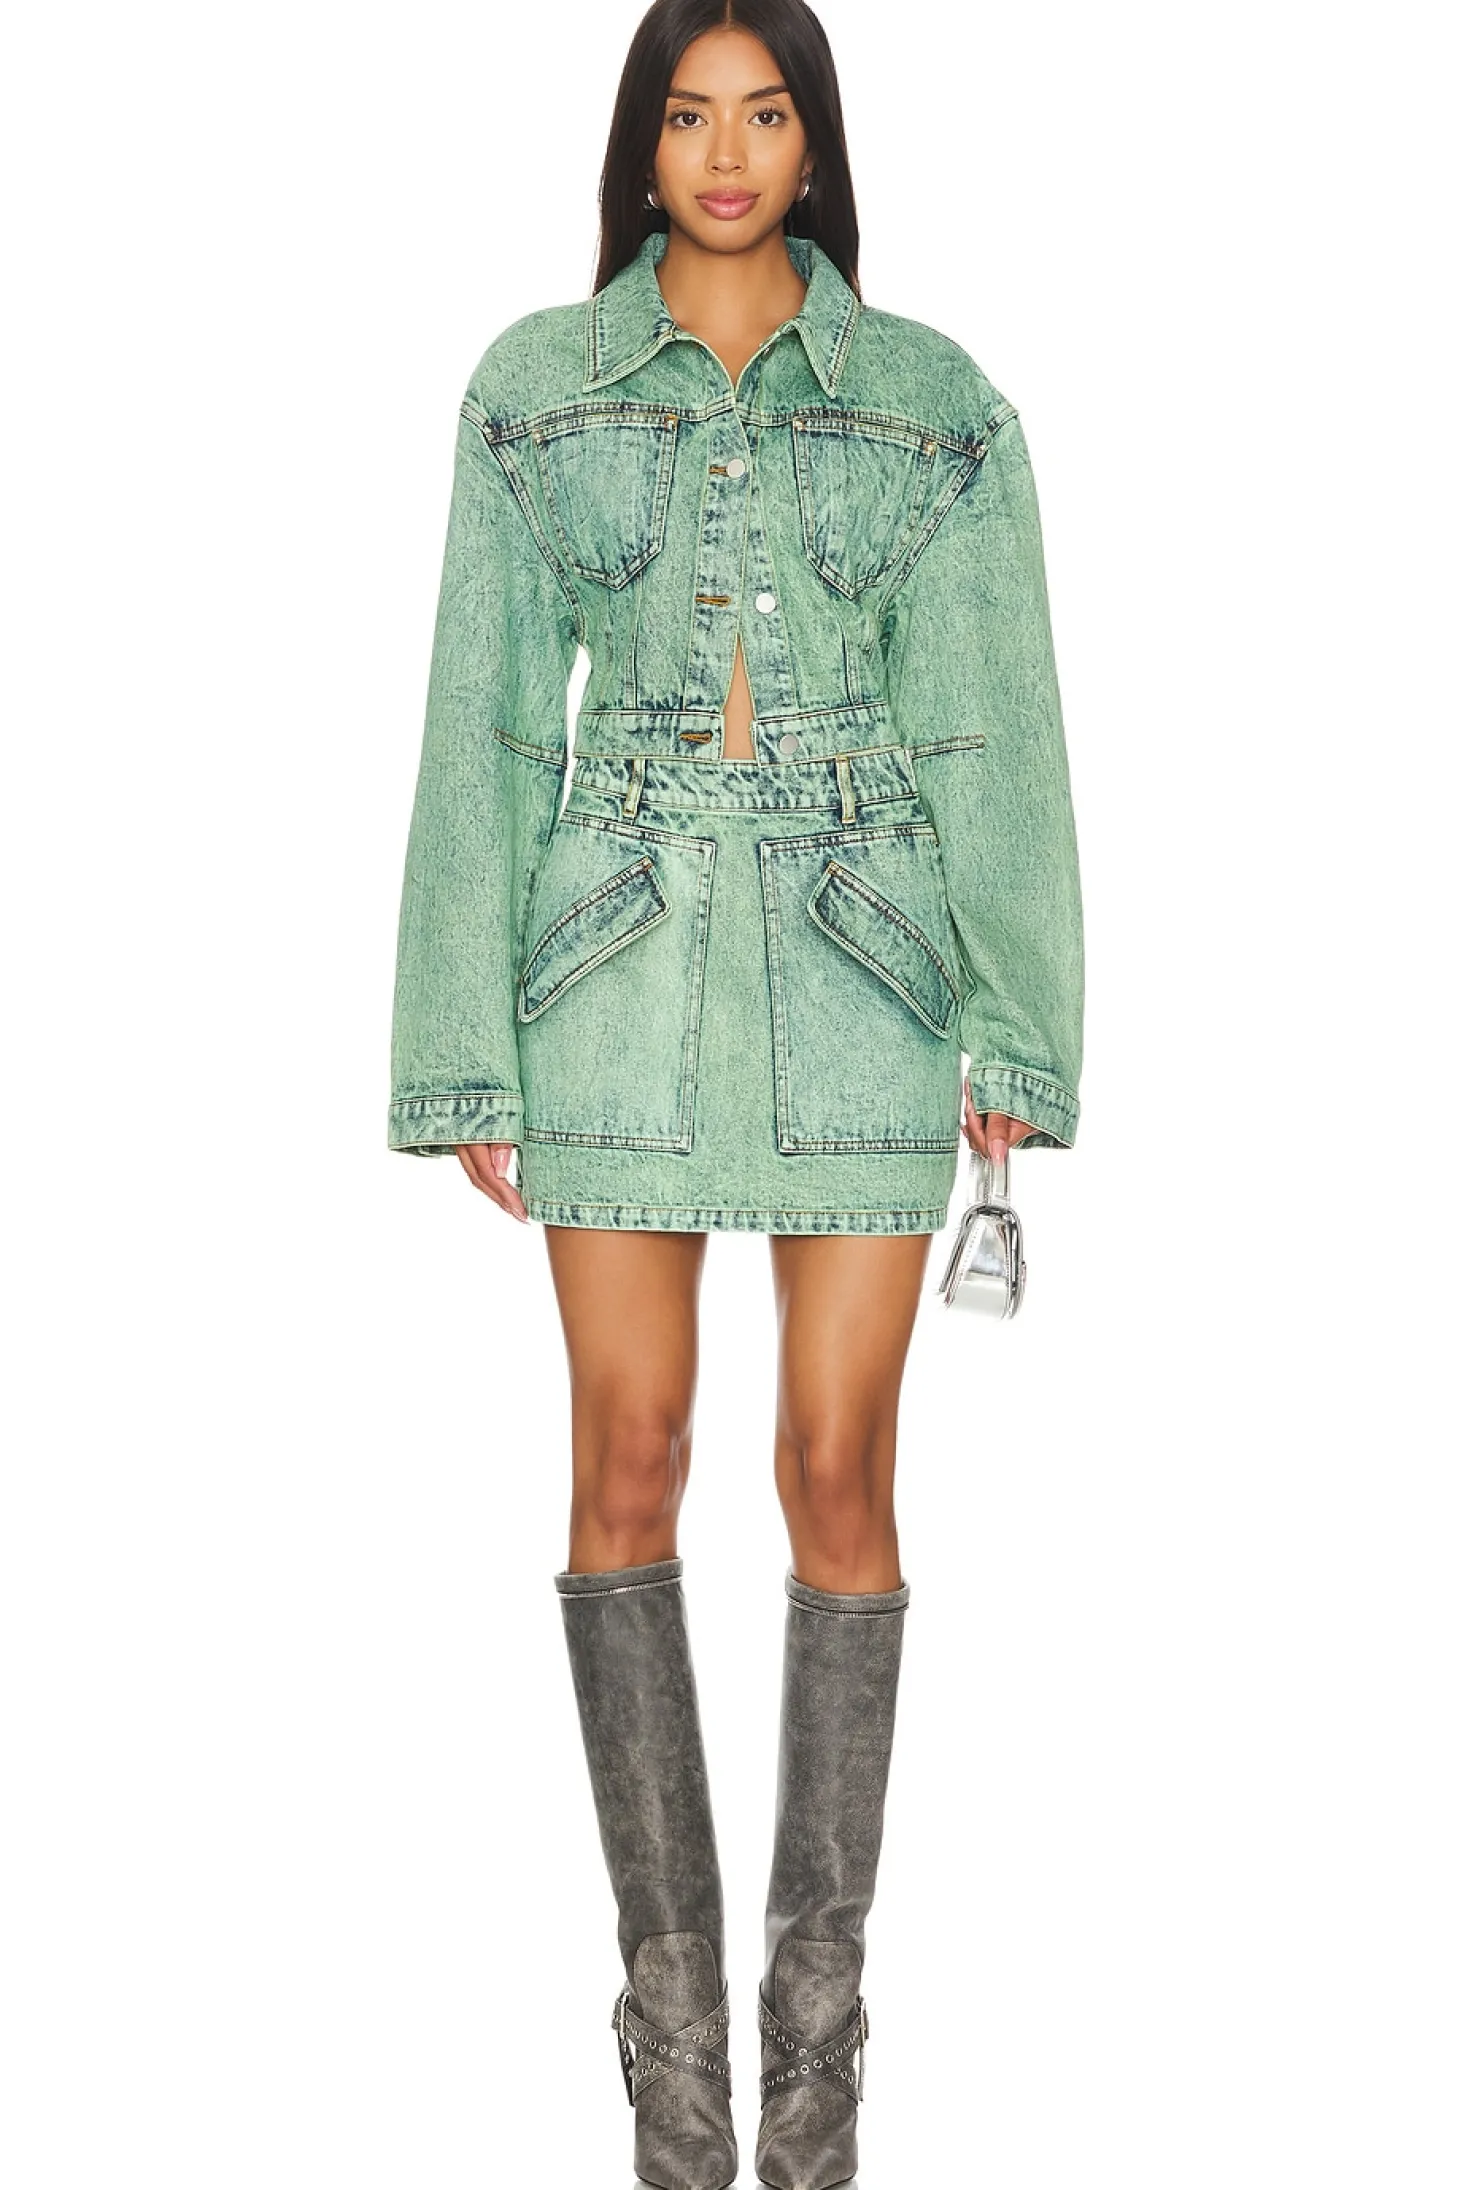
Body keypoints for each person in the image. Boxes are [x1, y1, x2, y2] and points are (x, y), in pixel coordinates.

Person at [386, 1, 1084, 2182]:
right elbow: (487, 718)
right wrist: (462, 1036)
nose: (723, 152)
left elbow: (992, 730)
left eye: (763, 113)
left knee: (836, 1467)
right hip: (608, 956)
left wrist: (1013, 1024)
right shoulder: (535, 388)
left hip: (867, 964)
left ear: (813, 143)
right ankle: (677, 2074)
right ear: (643, 141)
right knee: (629, 1455)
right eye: (688, 114)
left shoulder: (934, 403)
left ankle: (816, 2075)